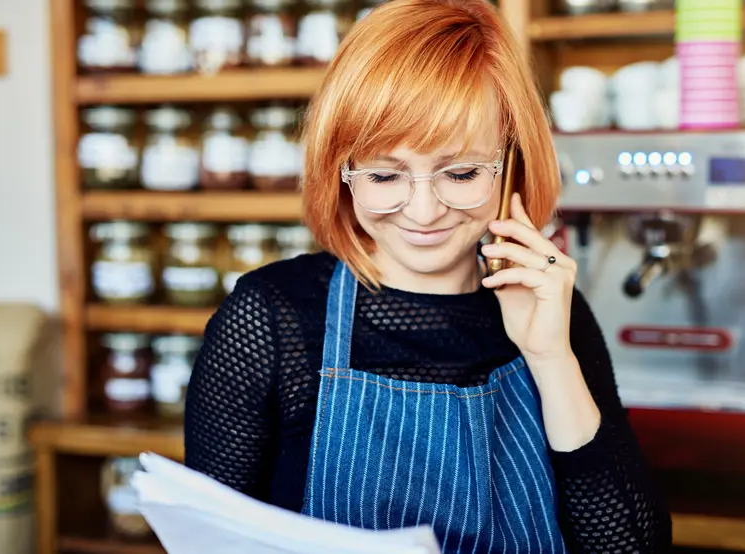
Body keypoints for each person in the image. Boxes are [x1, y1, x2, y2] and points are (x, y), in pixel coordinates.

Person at [184, 0, 672, 551]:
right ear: (341, 172)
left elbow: (634, 548)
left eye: (461, 172)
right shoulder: (271, 319)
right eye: (385, 174)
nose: (423, 212)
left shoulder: (553, 310)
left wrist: (551, 358)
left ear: (512, 161)